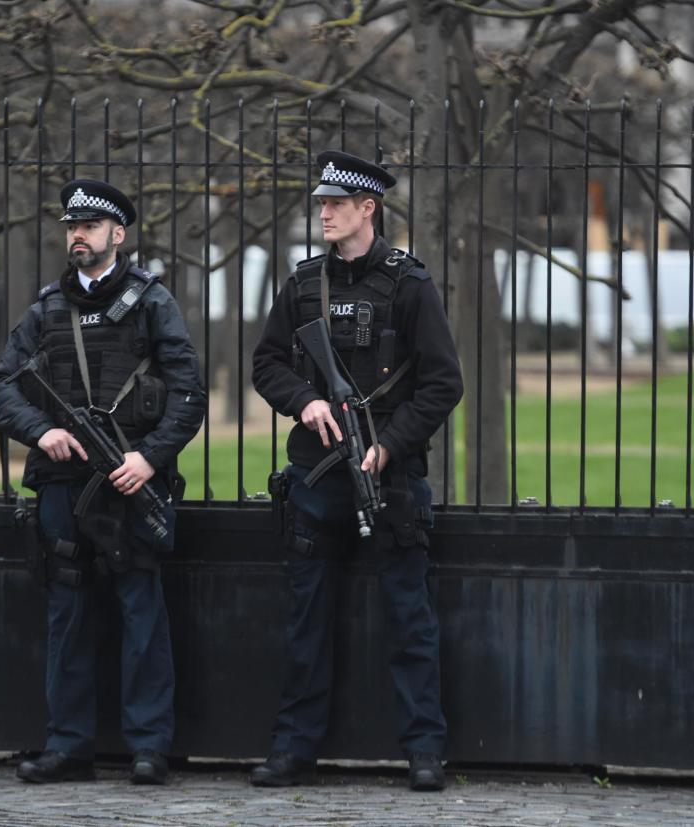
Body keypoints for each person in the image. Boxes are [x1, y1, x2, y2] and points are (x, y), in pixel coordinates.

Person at [250, 150, 464, 791]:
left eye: (336, 204)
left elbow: (443, 383)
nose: (325, 213)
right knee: (305, 622)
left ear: (368, 207)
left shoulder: (410, 285)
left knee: (409, 620)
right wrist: (306, 400)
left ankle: (425, 751)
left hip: (389, 478)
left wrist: (390, 445)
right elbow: (267, 364)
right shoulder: (301, 282)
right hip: (317, 476)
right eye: (321, 204)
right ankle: (294, 751)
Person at [0, 178, 205, 784]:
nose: (77, 235)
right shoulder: (45, 310)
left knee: (141, 612)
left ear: (118, 235)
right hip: (62, 481)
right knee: (69, 615)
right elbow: (3, 384)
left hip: (130, 480)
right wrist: (40, 432)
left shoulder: (152, 303)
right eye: (71, 226)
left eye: (88, 226)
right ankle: (69, 745)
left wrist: (150, 459)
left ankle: (148, 747)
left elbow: (189, 393)